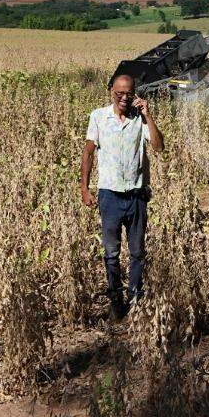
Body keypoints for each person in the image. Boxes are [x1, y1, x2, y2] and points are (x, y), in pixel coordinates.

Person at [80, 74, 163, 319]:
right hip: (110, 196)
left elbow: (158, 147)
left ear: (135, 93)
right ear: (111, 92)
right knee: (111, 254)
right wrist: (85, 189)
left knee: (137, 252)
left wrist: (148, 116)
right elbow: (88, 154)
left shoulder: (140, 119)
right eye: (119, 93)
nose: (124, 98)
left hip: (137, 195)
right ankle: (116, 299)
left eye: (129, 93)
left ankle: (136, 299)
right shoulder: (98, 117)